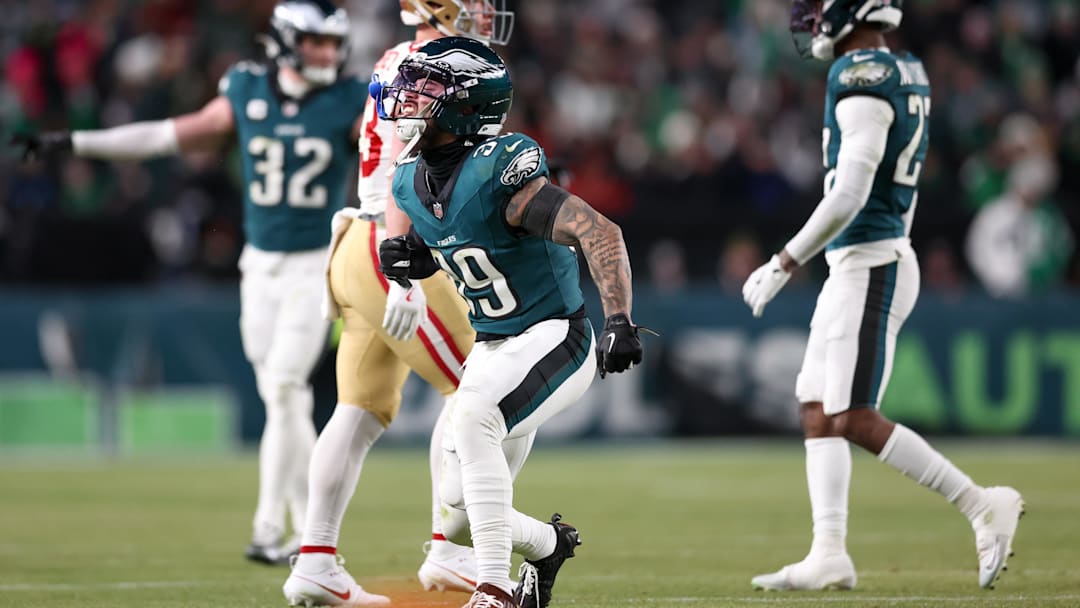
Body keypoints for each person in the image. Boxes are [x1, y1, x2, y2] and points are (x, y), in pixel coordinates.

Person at [12, 0, 367, 566]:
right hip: (259, 266)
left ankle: (267, 525)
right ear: (284, 41)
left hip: (314, 266)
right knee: (284, 399)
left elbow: (391, 148)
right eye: (315, 42)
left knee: (283, 387)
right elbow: (168, 136)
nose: (326, 54)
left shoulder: (351, 100)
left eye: (332, 43)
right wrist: (79, 143)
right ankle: (307, 532)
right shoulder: (247, 90)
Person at [741, 0, 1024, 592]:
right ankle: (829, 553)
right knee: (816, 405)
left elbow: (850, 190)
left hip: (872, 262)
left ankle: (981, 503)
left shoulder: (860, 73)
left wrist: (786, 260)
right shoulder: (904, 66)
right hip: (865, 260)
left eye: (821, 6)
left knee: (852, 415)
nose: (812, 17)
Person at [376, 36, 643, 608]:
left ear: (466, 105)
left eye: (428, 87)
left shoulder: (500, 168)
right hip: (495, 346)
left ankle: (492, 590)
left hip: (555, 336)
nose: (409, 97)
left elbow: (601, 232)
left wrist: (619, 318)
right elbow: (466, 247)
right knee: (460, 510)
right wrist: (414, 259)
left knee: (473, 418)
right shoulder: (409, 177)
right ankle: (548, 546)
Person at [281, 1, 515, 605]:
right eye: (478, 1)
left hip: (357, 245)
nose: (489, 12)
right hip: (393, 245)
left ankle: (315, 558)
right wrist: (404, 272)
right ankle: (449, 548)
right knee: (480, 393)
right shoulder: (433, 64)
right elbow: (409, 164)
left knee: (357, 412)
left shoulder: (399, 57)